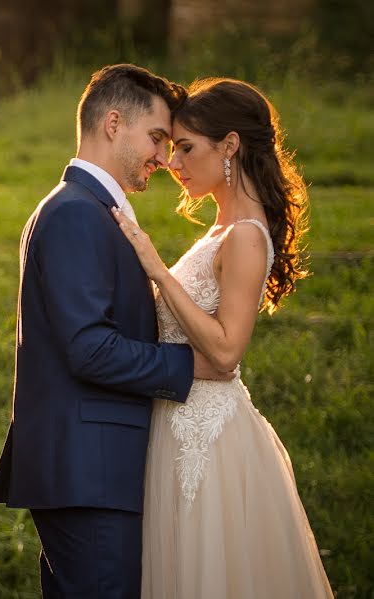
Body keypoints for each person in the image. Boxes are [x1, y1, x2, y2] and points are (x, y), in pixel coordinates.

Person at [0, 64, 229, 598]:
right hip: (89, 472)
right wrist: (192, 366)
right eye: (158, 139)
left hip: (93, 468)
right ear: (114, 123)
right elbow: (89, 349)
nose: (165, 159)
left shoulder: (89, 209)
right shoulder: (76, 213)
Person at [111, 77, 333, 598]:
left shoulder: (247, 237)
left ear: (229, 145)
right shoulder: (218, 230)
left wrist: (159, 272)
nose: (172, 162)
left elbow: (229, 349)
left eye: (186, 147)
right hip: (175, 419)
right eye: (170, 148)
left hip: (208, 437)